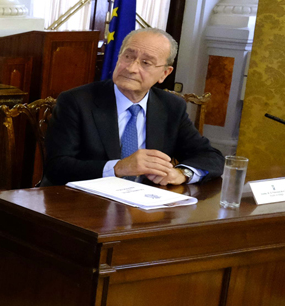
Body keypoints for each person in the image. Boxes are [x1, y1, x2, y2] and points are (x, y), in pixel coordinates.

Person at [43, 28, 224, 187]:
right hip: (83, 205)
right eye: (127, 56)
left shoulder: (170, 106)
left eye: (146, 63)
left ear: (164, 73)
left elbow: (211, 157)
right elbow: (57, 167)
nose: (131, 68)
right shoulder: (76, 101)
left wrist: (182, 174)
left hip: (142, 209)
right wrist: (118, 167)